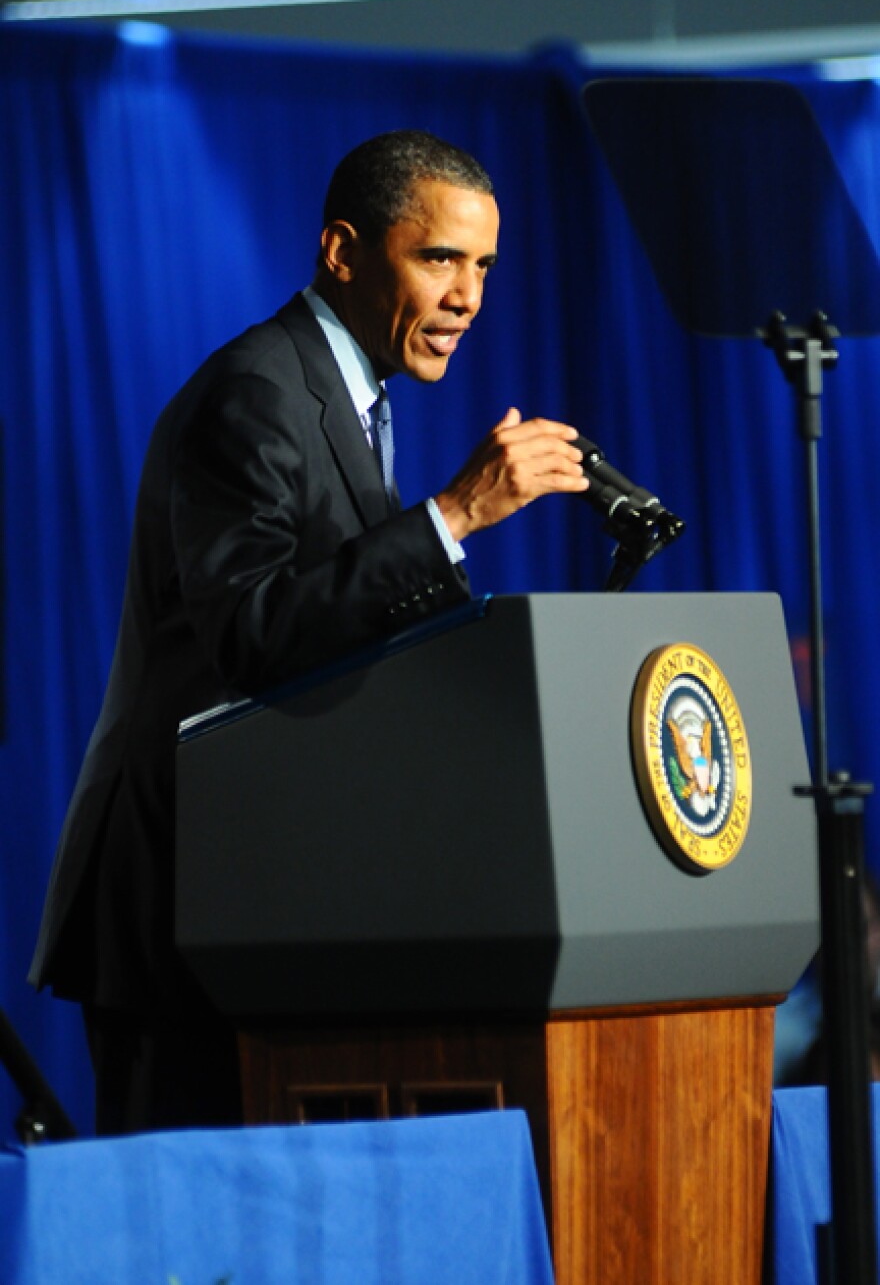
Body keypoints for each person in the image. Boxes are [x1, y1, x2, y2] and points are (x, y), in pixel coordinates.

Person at [28, 129, 588, 1135]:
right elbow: (253, 630)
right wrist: (450, 516)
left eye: (483, 265)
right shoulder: (255, 394)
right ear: (343, 251)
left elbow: (344, 628)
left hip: (278, 898)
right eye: (438, 258)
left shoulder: (348, 397)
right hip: (183, 907)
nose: (467, 294)